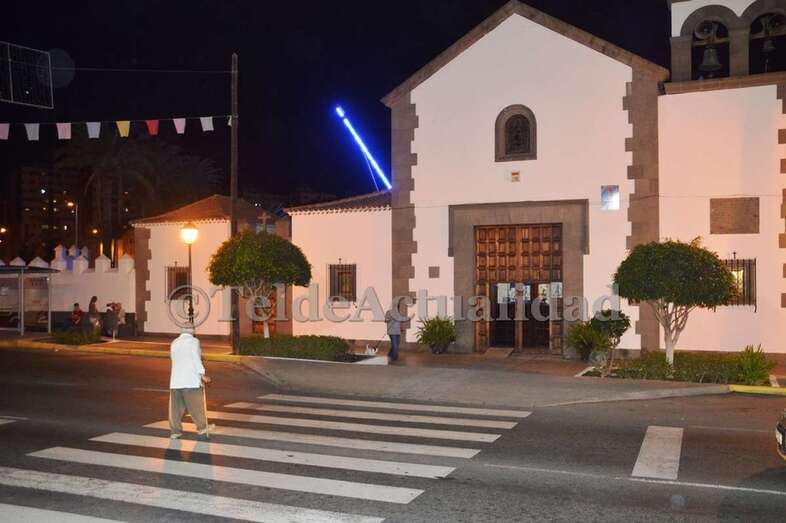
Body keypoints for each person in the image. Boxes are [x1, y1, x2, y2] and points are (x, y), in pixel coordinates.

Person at [169, 325, 214, 439]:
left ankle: (175, 431)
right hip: (190, 380)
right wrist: (202, 374)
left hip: (175, 380)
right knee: (196, 406)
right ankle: (202, 427)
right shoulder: (194, 341)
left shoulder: (174, 342)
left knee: (176, 409)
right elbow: (195, 358)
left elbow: (173, 358)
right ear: (193, 331)